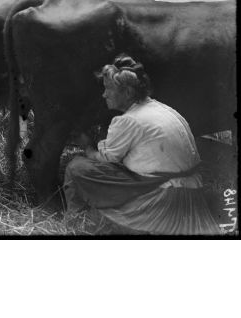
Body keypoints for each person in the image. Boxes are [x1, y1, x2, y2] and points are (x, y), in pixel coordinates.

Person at [64, 54, 220, 235]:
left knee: (76, 167)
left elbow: (105, 160)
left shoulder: (127, 121)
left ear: (128, 93)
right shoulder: (164, 109)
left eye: (108, 88)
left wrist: (87, 146)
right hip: (193, 193)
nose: (104, 94)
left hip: (163, 199)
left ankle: (75, 224)